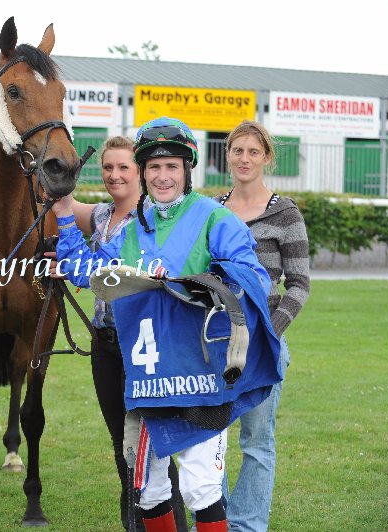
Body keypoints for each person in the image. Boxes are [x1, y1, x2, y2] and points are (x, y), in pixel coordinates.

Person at [51, 117, 280, 531]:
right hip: (147, 379)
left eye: (172, 166)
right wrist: (65, 215)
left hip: (200, 376)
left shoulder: (215, 219)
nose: (162, 176)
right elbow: (88, 272)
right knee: (151, 489)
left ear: (187, 169)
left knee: (201, 489)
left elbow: (255, 278)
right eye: (153, 167)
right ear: (143, 172)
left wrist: (204, 286)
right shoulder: (131, 229)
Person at [47, 135, 187, 531]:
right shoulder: (104, 216)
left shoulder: (146, 221)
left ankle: (165, 523)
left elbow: (89, 272)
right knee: (122, 446)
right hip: (106, 344)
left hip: (141, 347)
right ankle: (136, 525)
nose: (114, 175)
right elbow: (68, 230)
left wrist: (62, 215)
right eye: (108, 167)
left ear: (140, 173)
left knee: (151, 447)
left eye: (124, 167)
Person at [218, 120, 310, 531]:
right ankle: (214, 520)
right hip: (215, 343)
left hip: (264, 347)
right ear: (228, 156)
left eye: (254, 152)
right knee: (209, 440)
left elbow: (299, 285)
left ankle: (247, 525)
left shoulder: (285, 213)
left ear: (266, 158)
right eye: (238, 150)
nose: (245, 158)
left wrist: (270, 331)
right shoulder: (212, 211)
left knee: (256, 442)